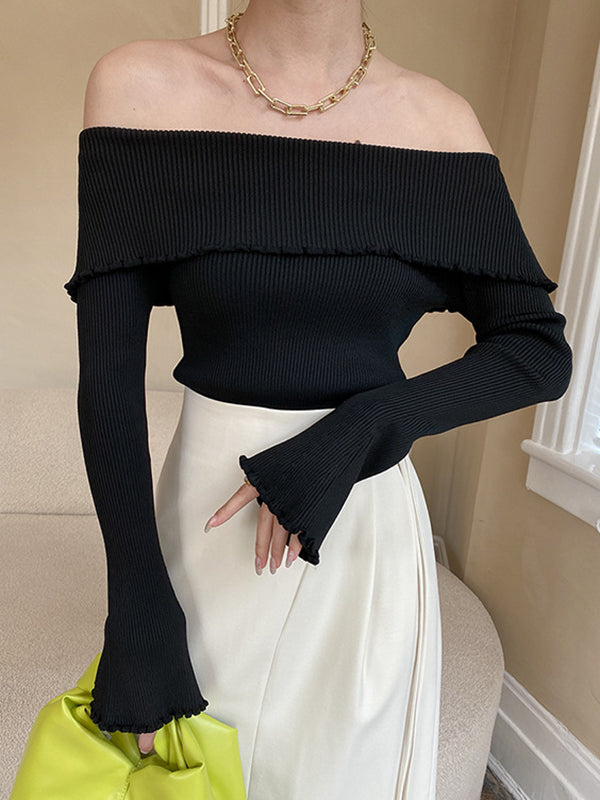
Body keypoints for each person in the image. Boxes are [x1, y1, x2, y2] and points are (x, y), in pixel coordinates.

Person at [63, 1, 573, 797]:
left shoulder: (437, 123)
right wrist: (135, 608)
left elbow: (535, 349)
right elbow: (108, 381)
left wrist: (365, 426)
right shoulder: (142, 87)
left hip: (360, 528)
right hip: (208, 523)